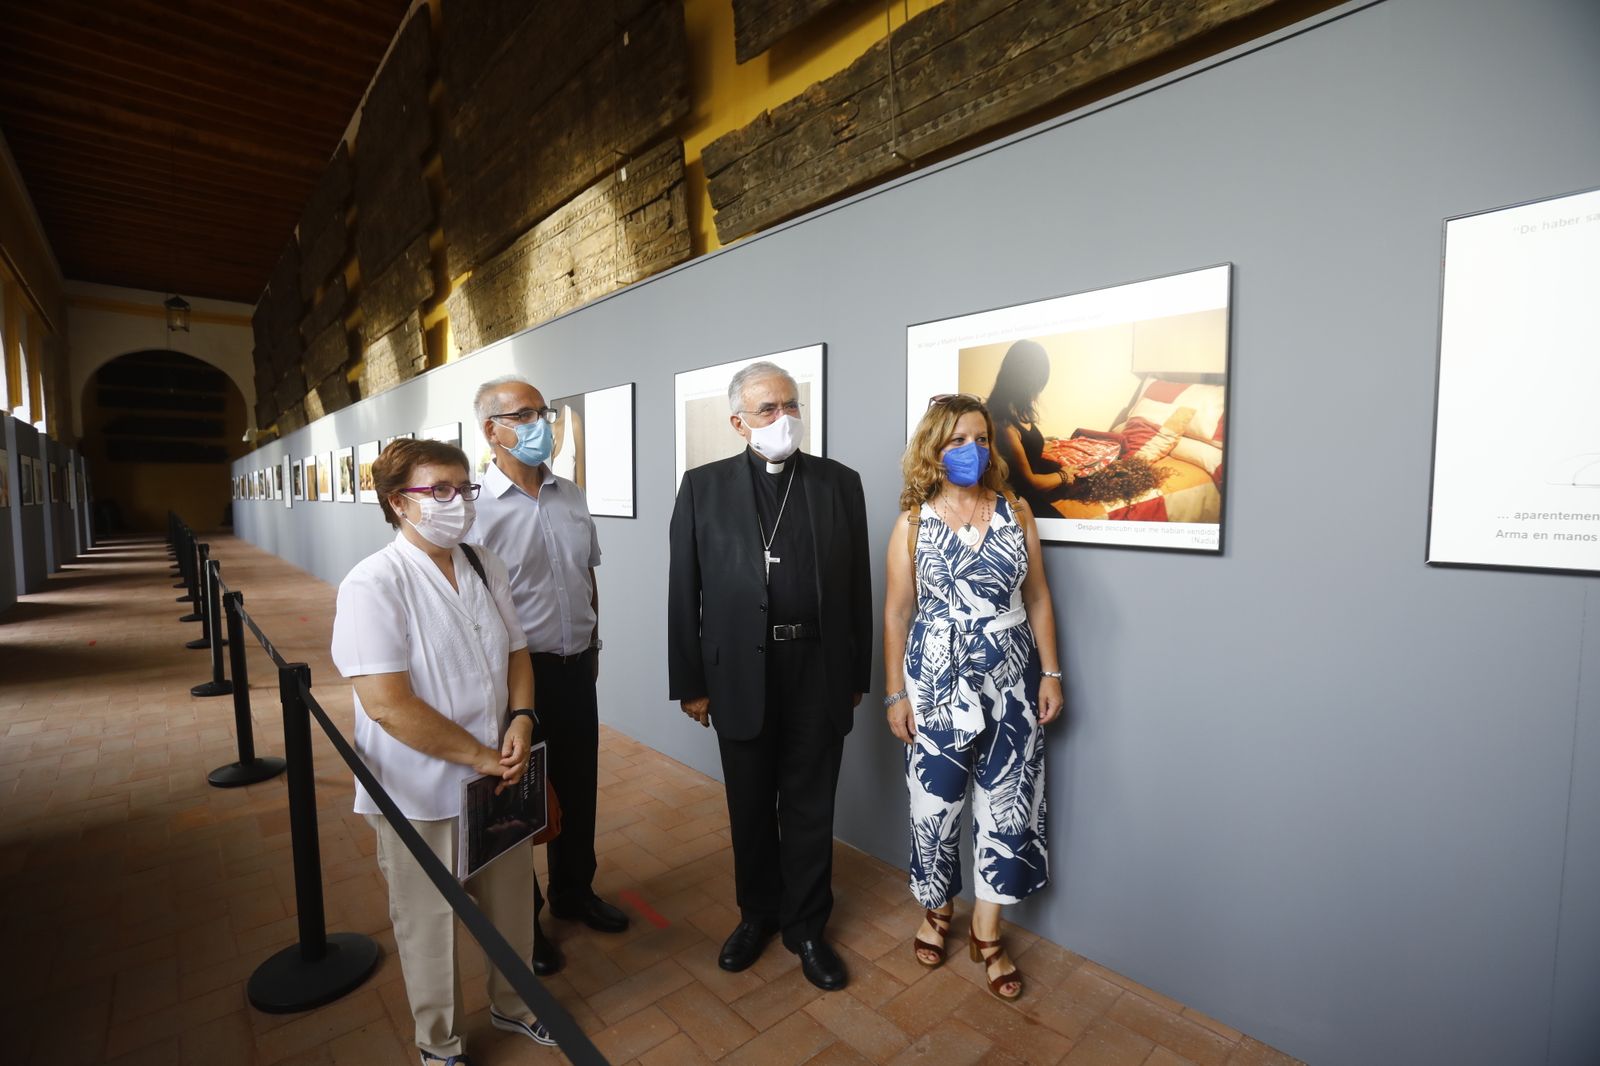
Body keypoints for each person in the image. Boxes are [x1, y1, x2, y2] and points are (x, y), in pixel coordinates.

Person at [330, 437, 555, 1061]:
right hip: (420, 784)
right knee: (429, 920)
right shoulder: (373, 582)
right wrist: (481, 756)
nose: (458, 502)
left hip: (498, 772)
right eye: (441, 491)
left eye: (465, 488)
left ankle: (515, 1004)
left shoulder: (484, 562)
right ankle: (441, 1042)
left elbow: (516, 651)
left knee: (510, 903)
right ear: (400, 502)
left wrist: (522, 718)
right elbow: (387, 704)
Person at [667, 360, 872, 991]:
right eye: (767, 409)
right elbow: (684, 591)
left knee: (811, 805)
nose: (783, 418)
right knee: (749, 804)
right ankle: (757, 915)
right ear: (738, 422)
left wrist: (856, 671)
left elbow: (858, 585)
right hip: (739, 674)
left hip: (818, 666)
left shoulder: (840, 483)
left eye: (790, 404)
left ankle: (807, 927)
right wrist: (690, 682)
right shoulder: (703, 487)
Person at [880, 393, 1064, 1001]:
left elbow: (1036, 597)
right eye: (957, 440)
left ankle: (989, 930)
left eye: (981, 438)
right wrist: (894, 694)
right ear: (934, 448)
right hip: (934, 680)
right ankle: (937, 909)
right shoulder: (912, 523)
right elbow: (897, 612)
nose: (973, 450)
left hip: (1011, 679)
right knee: (934, 808)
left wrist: (1052, 673)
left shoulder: (1016, 512)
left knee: (1007, 804)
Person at [472, 375, 629, 976]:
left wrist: (593, 643)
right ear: (493, 429)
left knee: (577, 783)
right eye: (525, 414)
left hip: (574, 664)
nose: (542, 423)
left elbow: (587, 575)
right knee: (521, 796)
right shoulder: (476, 510)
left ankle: (573, 890)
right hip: (517, 676)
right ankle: (524, 919)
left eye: (545, 411)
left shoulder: (570, 495)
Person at [987, 339, 1074, 515]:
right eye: (1037, 382)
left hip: (1028, 478)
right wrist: (1063, 476)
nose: (1039, 389)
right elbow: (1030, 482)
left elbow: (1030, 453)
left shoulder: (1020, 409)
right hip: (1017, 494)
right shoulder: (1003, 424)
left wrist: (1060, 467)